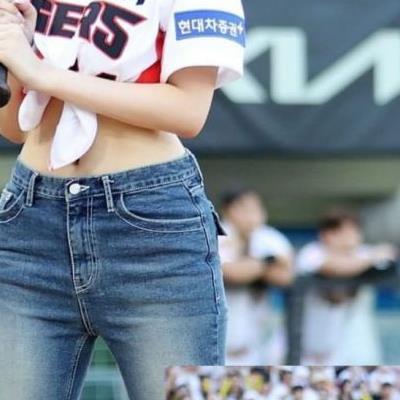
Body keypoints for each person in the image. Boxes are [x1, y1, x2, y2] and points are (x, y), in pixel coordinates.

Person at [0, 0, 246, 398]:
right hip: (30, 220)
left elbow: (188, 111)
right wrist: (15, 49)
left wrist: (43, 75)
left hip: (150, 226)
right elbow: (13, 126)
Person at [295, 208, 398, 365]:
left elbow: (388, 262)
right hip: (310, 343)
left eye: (354, 231)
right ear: (326, 234)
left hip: (353, 343)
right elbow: (336, 267)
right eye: (344, 232)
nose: (351, 237)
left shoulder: (365, 252)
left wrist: (382, 255)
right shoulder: (311, 252)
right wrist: (371, 258)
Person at [217, 187, 294, 365]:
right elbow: (232, 272)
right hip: (218, 349)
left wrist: (252, 266)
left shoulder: (268, 237)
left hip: (256, 347)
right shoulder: (216, 234)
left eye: (256, 208)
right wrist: (267, 262)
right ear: (228, 210)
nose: (252, 215)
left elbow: (285, 275)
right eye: (244, 208)